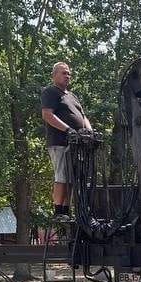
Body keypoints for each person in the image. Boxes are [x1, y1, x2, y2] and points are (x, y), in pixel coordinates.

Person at [41, 62, 92, 216]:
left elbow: (83, 116)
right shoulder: (50, 92)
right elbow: (48, 115)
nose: (67, 76)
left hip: (77, 144)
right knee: (62, 176)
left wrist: (89, 132)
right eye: (63, 73)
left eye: (68, 73)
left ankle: (67, 210)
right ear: (54, 75)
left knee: (71, 179)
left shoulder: (72, 96)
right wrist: (68, 129)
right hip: (60, 142)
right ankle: (59, 210)